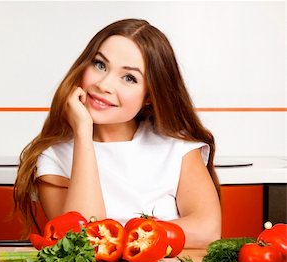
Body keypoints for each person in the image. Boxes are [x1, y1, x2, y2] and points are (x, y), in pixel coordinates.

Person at [14, 19, 221, 248]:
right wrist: (83, 132)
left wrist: (118, 235)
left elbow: (207, 230)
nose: (104, 84)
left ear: (150, 95)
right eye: (100, 65)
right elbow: (80, 244)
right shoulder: (53, 156)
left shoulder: (177, 148)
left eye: (129, 78)